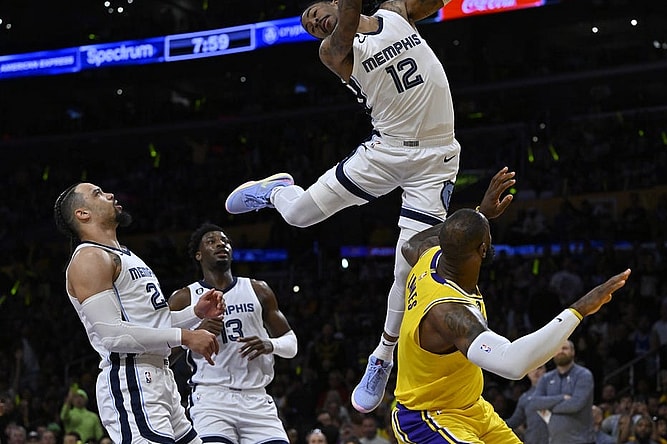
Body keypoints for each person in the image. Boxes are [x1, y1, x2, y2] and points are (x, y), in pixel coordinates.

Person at [225, 0, 461, 414]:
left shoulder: (394, 12)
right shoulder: (334, 50)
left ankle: (382, 358)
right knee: (297, 216)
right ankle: (275, 190)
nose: (316, 23)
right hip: (386, 152)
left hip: (436, 158)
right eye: (312, 26)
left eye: (315, 13)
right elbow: (350, 19)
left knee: (407, 268)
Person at [389, 167, 632, 443]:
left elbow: (411, 244)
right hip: (427, 418)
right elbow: (514, 363)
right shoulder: (450, 314)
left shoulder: (430, 257)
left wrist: (480, 214)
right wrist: (580, 309)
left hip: (472, 409)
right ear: (483, 249)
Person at [53, 182, 224, 444]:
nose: (110, 194)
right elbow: (112, 335)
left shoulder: (126, 255)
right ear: (82, 214)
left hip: (160, 378)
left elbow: (153, 323)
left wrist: (195, 312)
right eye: (97, 193)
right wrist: (186, 337)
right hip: (131, 379)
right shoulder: (90, 258)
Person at [168, 223, 298, 443]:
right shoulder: (184, 297)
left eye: (225, 241)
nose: (220, 244)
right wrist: (192, 337)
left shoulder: (258, 289)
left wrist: (270, 344)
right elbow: (162, 354)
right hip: (211, 398)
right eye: (211, 241)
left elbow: (292, 343)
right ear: (198, 255)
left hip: (256, 398)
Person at [528, 339, 596, 444]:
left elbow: (575, 405)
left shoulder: (583, 375)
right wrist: (562, 398)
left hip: (581, 440)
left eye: (565, 348)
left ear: (573, 352)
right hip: (555, 440)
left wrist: (548, 407)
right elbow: (534, 403)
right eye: (557, 349)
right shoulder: (546, 378)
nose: (560, 351)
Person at [505, 364, 549, 444]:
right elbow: (514, 421)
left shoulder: (557, 391)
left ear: (545, 370)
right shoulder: (524, 398)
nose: (536, 371)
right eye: (532, 368)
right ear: (527, 373)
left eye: (539, 368)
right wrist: (493, 423)